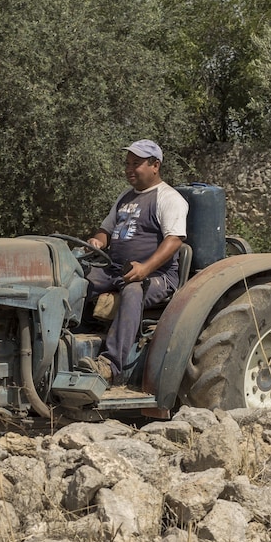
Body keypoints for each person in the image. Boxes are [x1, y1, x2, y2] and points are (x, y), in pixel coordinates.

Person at [77, 139, 189, 385]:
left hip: (157, 276)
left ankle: (109, 365)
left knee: (132, 291)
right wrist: (96, 242)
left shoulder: (169, 198)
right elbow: (105, 230)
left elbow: (174, 241)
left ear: (155, 165)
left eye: (136, 164)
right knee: (77, 280)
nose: (129, 169)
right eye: (127, 163)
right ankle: (72, 339)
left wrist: (145, 268)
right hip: (115, 269)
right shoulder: (125, 197)